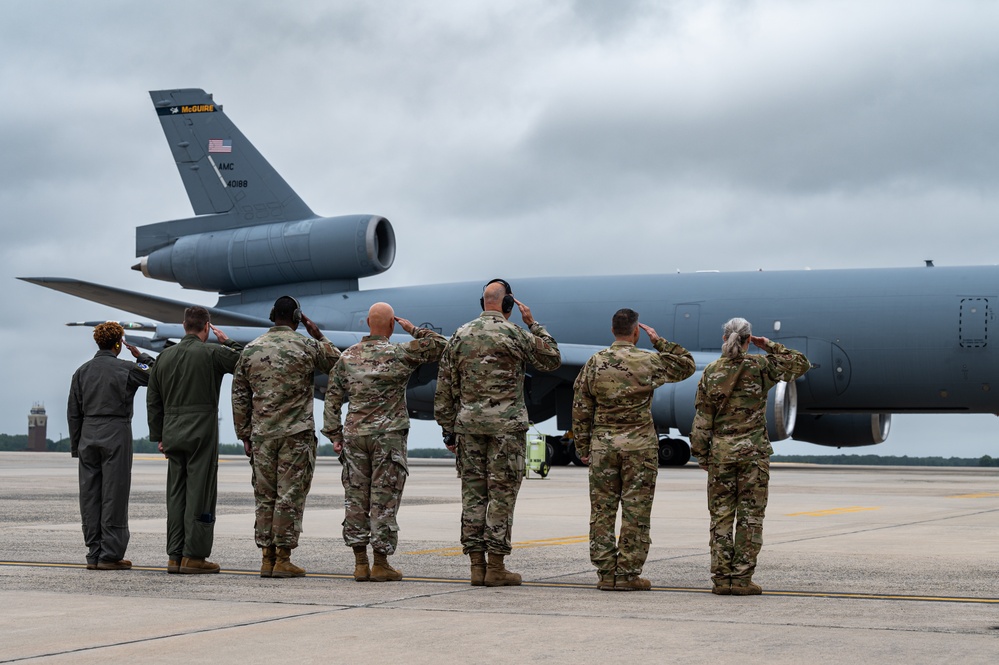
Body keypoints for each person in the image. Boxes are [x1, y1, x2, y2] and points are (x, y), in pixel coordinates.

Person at [435, 278, 561, 587]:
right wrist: (534, 324)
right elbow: (552, 359)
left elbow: (444, 389)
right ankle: (495, 566)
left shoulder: (459, 336)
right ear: (508, 306)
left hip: (468, 428)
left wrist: (448, 430)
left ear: (482, 304)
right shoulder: (515, 333)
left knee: (473, 496)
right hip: (506, 429)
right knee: (501, 496)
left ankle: (476, 567)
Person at [572, 309, 695, 591]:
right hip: (639, 447)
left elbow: (580, 407)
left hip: (603, 446)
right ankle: (627, 574)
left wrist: (582, 446)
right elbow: (686, 365)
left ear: (612, 330)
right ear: (636, 331)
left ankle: (605, 573)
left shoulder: (595, 362)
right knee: (635, 511)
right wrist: (659, 341)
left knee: (602, 511)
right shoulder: (648, 361)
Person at [322, 302, 446, 582]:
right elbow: (439, 346)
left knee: (355, 499)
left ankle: (359, 563)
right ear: (392, 325)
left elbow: (332, 397)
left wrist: (334, 434)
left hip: (355, 437)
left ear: (367, 322)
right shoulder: (400, 353)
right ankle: (380, 563)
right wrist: (413, 329)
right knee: (384, 500)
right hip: (388, 437)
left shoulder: (347, 357)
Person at [690, 317, 810, 596]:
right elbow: (800, 363)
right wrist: (768, 345)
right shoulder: (760, 367)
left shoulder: (711, 372)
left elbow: (702, 419)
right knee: (750, 517)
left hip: (721, 454)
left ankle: (721, 579)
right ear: (748, 340)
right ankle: (741, 579)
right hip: (753, 455)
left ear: (724, 339)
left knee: (720, 518)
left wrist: (702, 455)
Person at [232, 296, 340, 578]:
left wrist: (244, 434)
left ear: (271, 315)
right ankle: (283, 558)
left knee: (265, 496)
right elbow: (337, 364)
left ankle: (266, 558)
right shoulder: (306, 345)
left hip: (262, 436)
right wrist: (318, 333)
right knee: (289, 496)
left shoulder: (251, 349)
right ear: (297, 318)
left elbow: (239, 395)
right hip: (295, 434)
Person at [147, 306, 243, 575]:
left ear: (183, 325)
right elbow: (247, 363)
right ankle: (194, 556)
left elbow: (153, 400)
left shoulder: (163, 358)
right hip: (202, 432)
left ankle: (174, 555)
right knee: (200, 492)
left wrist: (159, 435)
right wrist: (228, 341)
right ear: (207, 326)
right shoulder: (212, 353)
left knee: (176, 494)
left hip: (172, 432)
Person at [67, 322, 155, 571]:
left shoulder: (81, 372)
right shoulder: (127, 368)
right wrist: (142, 357)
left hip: (87, 435)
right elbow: (157, 374)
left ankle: (93, 553)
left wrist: (77, 446)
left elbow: (73, 412)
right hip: (116, 432)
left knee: (90, 495)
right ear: (118, 344)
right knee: (113, 495)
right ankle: (110, 554)